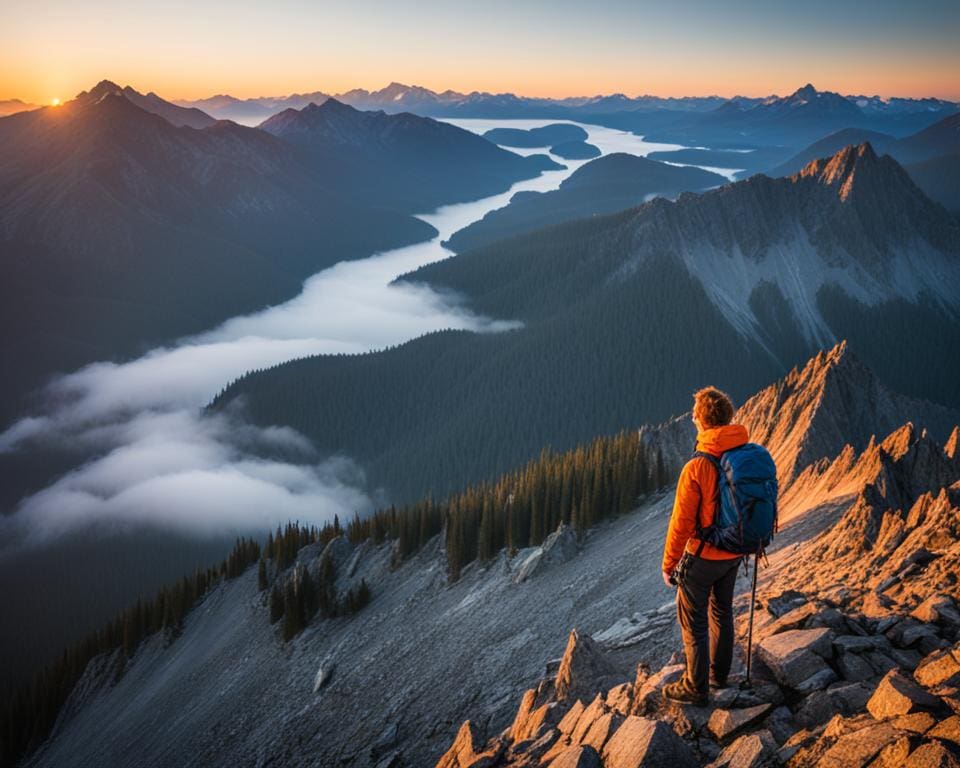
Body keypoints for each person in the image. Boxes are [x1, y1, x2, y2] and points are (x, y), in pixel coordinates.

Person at [661, 386, 746, 705]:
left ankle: (695, 688)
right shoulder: (739, 453)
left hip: (705, 554)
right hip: (734, 551)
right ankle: (718, 675)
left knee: (693, 618)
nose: (692, 415)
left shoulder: (697, 465)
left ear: (700, 419)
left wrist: (669, 564)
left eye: (695, 412)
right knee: (722, 612)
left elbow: (681, 523)